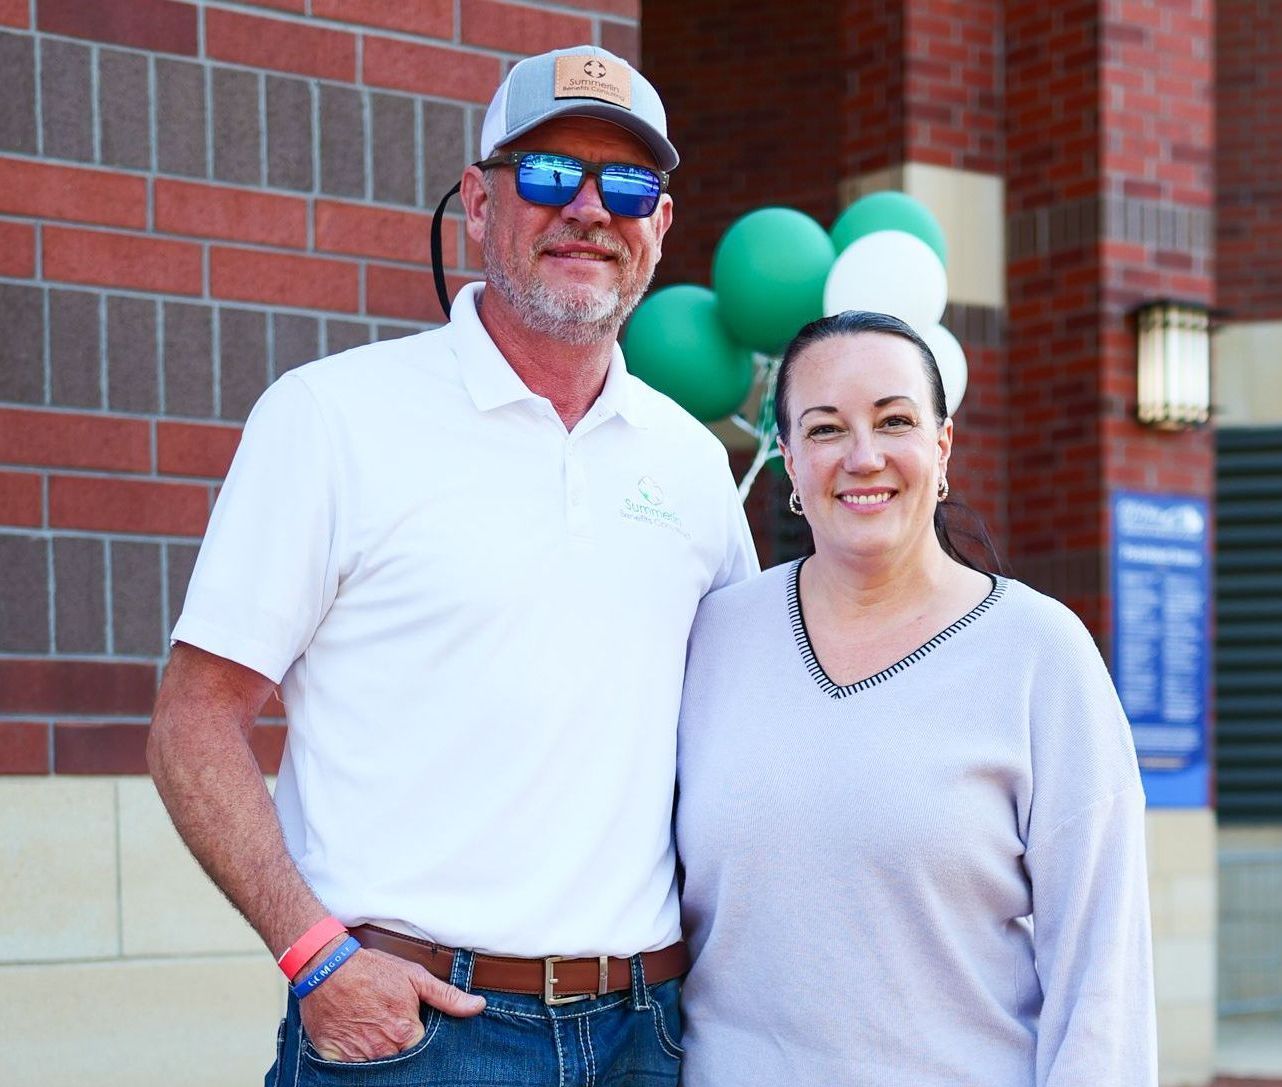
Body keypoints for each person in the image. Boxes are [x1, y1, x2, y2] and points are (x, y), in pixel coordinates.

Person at [147, 44, 757, 1086]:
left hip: (646, 1037)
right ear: (478, 201)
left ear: (659, 224)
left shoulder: (694, 465)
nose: (589, 209)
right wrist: (314, 955)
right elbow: (192, 722)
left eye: (628, 183)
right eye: (551, 175)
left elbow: (749, 734)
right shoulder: (332, 418)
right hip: (416, 1035)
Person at [675, 310, 1157, 1086]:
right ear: (789, 460)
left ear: (942, 446)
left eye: (894, 420)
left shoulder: (1040, 652)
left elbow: (1103, 972)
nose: (863, 457)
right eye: (826, 429)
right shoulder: (715, 635)